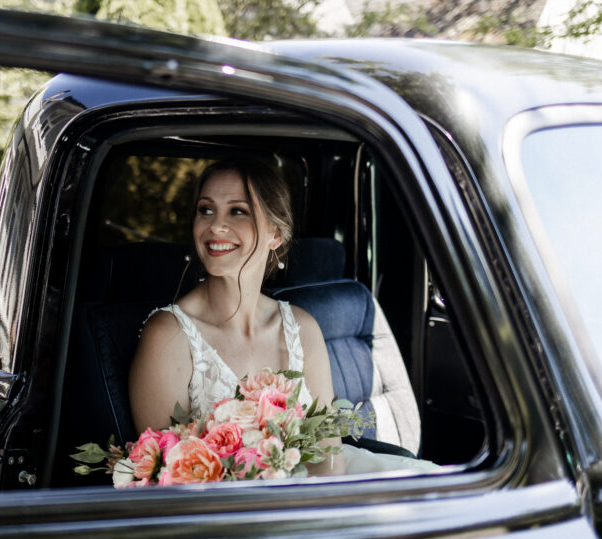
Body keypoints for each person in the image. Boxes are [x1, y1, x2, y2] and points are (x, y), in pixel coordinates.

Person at [128, 158, 438, 476]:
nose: (215, 226)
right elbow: (165, 481)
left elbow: (327, 460)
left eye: (238, 211)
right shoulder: (168, 335)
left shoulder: (302, 328)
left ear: (275, 234)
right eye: (206, 210)